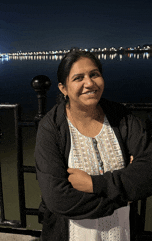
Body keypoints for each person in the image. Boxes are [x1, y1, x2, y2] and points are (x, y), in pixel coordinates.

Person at [34, 49, 152, 241]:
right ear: (63, 88)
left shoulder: (120, 117)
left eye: (94, 74)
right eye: (78, 78)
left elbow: (149, 168)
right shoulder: (52, 128)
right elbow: (58, 199)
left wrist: (95, 184)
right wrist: (125, 195)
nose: (89, 83)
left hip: (122, 232)